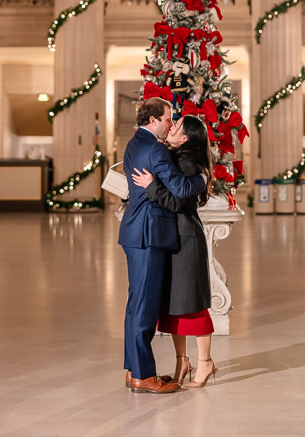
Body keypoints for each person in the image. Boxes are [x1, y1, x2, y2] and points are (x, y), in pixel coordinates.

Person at [118, 97, 206, 395]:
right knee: (144, 309)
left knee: (135, 306)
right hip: (149, 234)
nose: (171, 123)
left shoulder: (133, 144)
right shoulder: (155, 148)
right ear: (154, 119)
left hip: (136, 232)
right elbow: (180, 189)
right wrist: (203, 179)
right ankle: (143, 375)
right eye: (169, 118)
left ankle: (133, 370)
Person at [133, 114, 218, 388]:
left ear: (186, 138)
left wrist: (151, 187)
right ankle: (182, 361)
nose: (172, 126)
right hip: (169, 238)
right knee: (173, 306)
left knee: (193, 305)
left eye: (177, 126)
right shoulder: (169, 156)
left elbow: (178, 203)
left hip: (186, 240)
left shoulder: (191, 164)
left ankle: (205, 363)